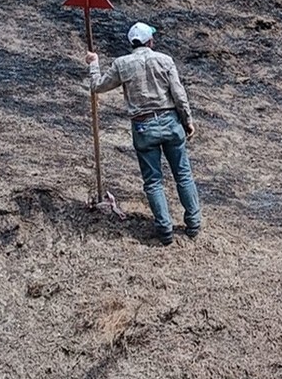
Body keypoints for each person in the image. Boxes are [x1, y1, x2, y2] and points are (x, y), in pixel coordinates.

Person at [85, 22, 201, 245]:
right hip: (170, 121)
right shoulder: (165, 60)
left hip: (143, 127)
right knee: (183, 174)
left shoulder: (122, 64)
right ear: (150, 41)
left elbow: (97, 86)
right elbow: (179, 94)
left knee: (153, 181)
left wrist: (94, 63)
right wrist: (187, 120)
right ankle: (193, 224)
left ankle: (164, 230)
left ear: (132, 43)